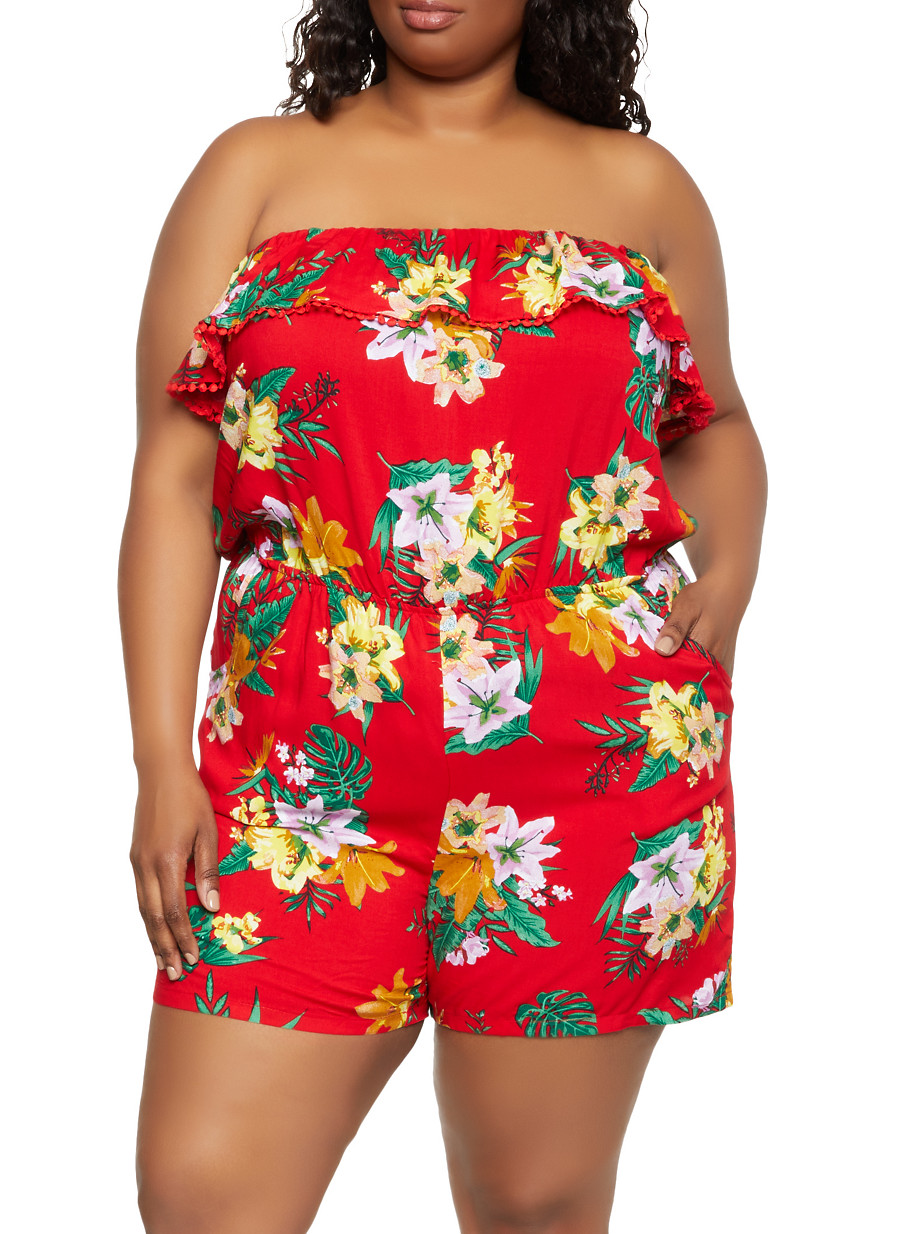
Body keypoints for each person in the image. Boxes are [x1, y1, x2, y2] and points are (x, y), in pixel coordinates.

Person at [119, 2, 767, 1230]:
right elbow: (172, 473)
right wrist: (159, 756)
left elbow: (715, 420)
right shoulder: (255, 170)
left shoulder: (640, 189)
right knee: (203, 1193)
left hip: (588, 758)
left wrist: (725, 574)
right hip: (296, 764)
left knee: (533, 1200)